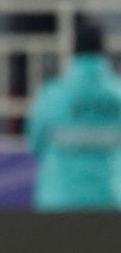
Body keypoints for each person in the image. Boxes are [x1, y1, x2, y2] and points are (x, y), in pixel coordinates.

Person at [27, 21, 121, 211]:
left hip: (59, 201)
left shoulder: (52, 94)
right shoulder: (118, 92)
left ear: (73, 50)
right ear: (103, 50)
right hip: (112, 201)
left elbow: (35, 142)